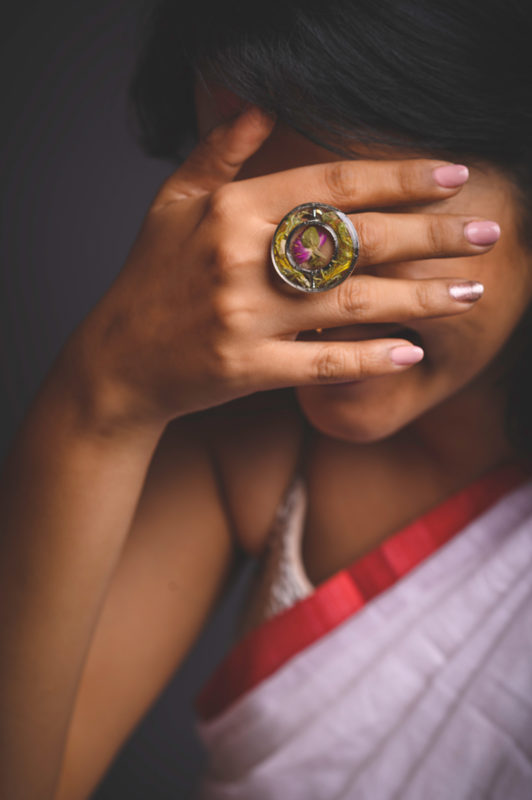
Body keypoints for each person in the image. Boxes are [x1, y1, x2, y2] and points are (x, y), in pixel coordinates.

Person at [1, 0, 532, 798]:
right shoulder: (243, 430)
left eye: (379, 224)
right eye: (250, 220)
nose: (297, 286)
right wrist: (100, 397)